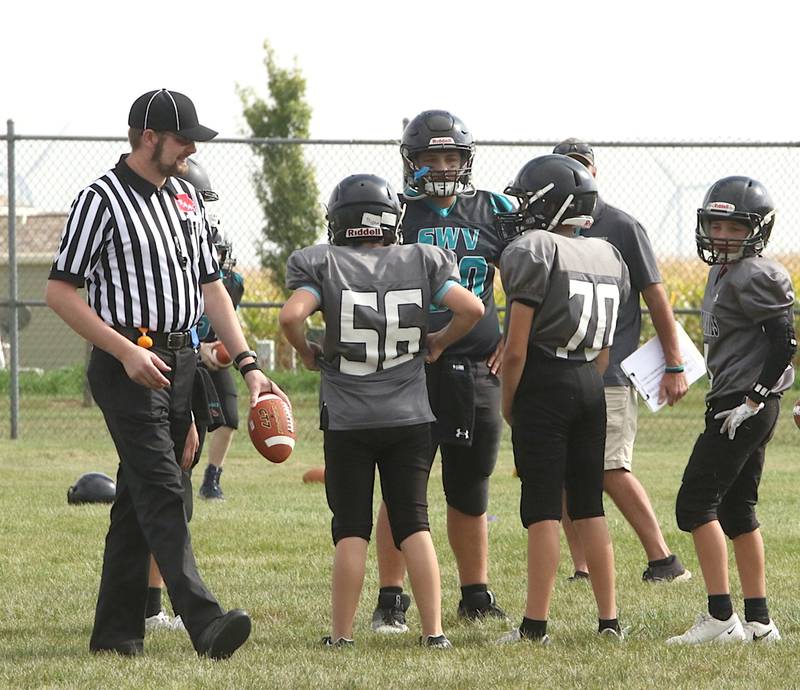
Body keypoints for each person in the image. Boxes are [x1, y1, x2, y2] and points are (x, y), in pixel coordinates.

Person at [46, 88, 288, 660]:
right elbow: (59, 291)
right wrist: (124, 351)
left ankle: (115, 635)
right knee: (161, 486)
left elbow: (212, 287)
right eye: (183, 140)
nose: (190, 150)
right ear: (148, 137)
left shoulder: (184, 196)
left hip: (183, 361)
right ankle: (204, 621)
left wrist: (249, 365)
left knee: (142, 497)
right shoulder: (100, 199)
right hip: (128, 361)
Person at [279, 173, 484, 648]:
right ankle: (434, 633)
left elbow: (291, 316)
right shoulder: (421, 259)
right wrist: (437, 341)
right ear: (391, 221)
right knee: (414, 522)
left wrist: (307, 350)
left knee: (351, 528)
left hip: (348, 417)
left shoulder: (323, 262)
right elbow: (470, 308)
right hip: (410, 414)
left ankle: (341, 636)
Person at [371, 110, 509, 633]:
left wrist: (513, 341)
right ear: (412, 162)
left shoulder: (495, 211)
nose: (444, 168)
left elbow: (526, 278)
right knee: (403, 487)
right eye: (432, 158)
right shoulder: (396, 214)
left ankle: (475, 592)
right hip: (410, 366)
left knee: (470, 485)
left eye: (452, 158)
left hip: (475, 365)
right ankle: (391, 598)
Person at [496, 154, 630, 644]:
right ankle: (609, 620)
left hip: (545, 380)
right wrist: (585, 383)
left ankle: (534, 626)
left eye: (527, 200)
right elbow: (605, 346)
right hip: (590, 379)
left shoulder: (534, 248)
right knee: (589, 504)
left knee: (543, 508)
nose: (520, 209)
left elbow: (514, 349)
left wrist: (511, 402)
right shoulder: (607, 253)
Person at [553, 138, 691, 584]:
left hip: (610, 371)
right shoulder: (549, 227)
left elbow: (655, 296)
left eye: (581, 166)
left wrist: (674, 363)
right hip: (560, 368)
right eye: (565, 166)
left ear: (595, 171)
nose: (575, 174)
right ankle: (583, 566)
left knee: (611, 468)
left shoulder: (621, 225)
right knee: (562, 471)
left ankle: (664, 560)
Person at [667, 176, 794, 644]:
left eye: (734, 228)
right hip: (735, 399)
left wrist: (756, 397)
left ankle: (721, 619)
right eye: (716, 225)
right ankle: (760, 622)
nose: (722, 235)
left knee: (695, 504)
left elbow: (784, 341)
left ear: (756, 230)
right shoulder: (721, 271)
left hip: (744, 405)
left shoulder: (758, 272)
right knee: (740, 511)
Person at [177, 158, 245, 501]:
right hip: (181, 353)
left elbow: (227, 317)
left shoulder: (230, 282)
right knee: (184, 428)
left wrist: (229, 351)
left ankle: (212, 478)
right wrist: (198, 349)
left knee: (229, 417)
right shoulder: (174, 272)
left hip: (211, 356)